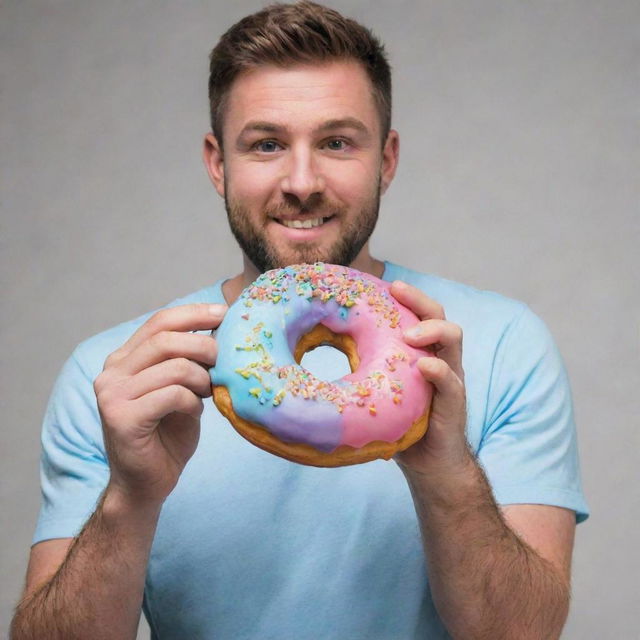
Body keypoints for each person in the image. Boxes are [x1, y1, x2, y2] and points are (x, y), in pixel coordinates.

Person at [11, 2, 588, 638]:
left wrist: (446, 471)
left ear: (386, 160)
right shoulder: (122, 377)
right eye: (266, 145)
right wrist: (130, 498)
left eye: (337, 142)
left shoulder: (496, 345)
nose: (302, 181)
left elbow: (525, 634)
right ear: (217, 163)